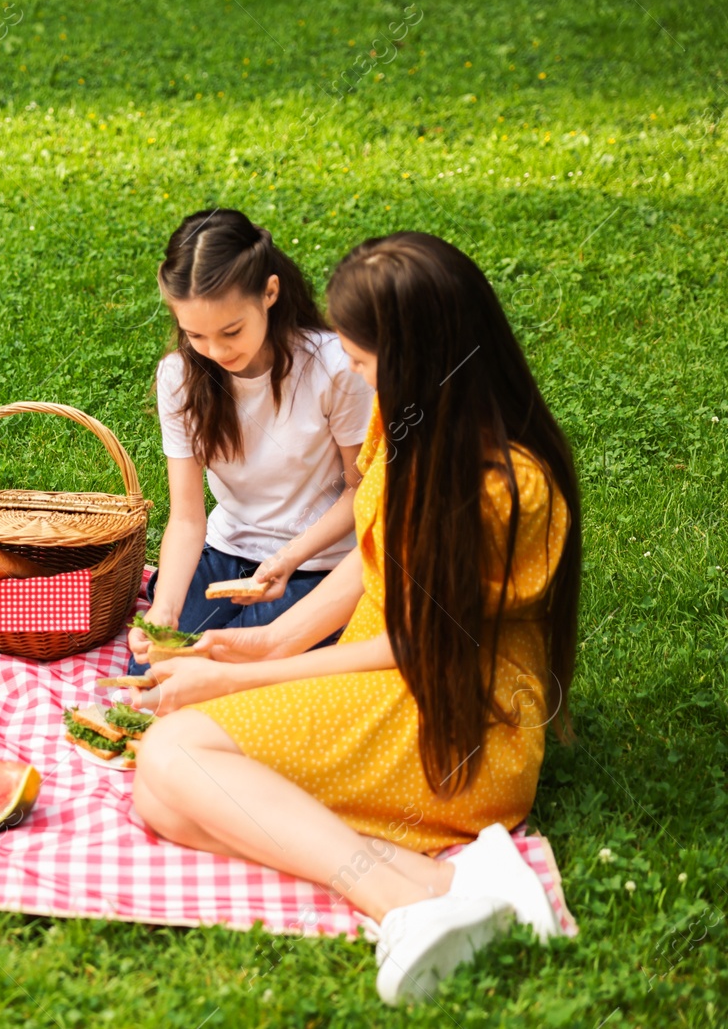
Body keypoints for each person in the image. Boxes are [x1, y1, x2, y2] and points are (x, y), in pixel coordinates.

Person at [130, 232, 582, 1005]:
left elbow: (414, 646)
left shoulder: (508, 487)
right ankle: (449, 882)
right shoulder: (411, 422)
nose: (359, 379)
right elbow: (372, 557)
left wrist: (256, 672)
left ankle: (397, 903)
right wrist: (271, 637)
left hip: (459, 721)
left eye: (368, 365)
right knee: (160, 796)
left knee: (175, 756)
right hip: (388, 682)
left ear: (421, 358)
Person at [126, 209, 374, 676]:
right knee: (155, 676)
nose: (216, 352)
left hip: (316, 564)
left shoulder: (335, 367)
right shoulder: (178, 377)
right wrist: (165, 612)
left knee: (222, 678)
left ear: (270, 292)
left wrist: (288, 558)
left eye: (231, 331)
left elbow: (360, 489)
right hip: (227, 553)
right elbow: (186, 515)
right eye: (195, 334)